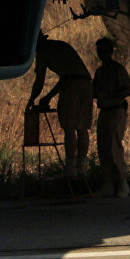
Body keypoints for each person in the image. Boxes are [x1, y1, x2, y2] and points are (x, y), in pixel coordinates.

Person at [27, 32, 93, 179]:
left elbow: (40, 80)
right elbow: (68, 76)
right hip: (87, 84)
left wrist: (31, 100)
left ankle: (71, 169)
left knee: (69, 127)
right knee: (82, 127)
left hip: (72, 87)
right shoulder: (60, 45)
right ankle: (81, 167)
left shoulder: (43, 51)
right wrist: (48, 96)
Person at [92, 37, 130, 198]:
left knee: (114, 146)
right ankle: (108, 183)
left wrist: (109, 94)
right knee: (103, 147)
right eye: (99, 50)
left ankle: (123, 183)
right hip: (104, 111)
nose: (101, 53)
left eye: (103, 49)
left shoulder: (118, 69)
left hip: (116, 110)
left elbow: (127, 90)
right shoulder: (100, 71)